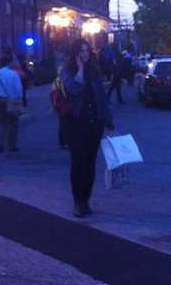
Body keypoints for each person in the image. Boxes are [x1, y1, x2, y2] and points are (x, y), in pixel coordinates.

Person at [61, 39, 114, 218]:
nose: (84, 54)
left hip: (94, 123)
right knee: (78, 162)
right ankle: (77, 201)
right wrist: (80, 69)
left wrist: (108, 119)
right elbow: (74, 89)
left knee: (90, 163)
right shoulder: (67, 71)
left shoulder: (95, 71)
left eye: (86, 51)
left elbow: (101, 97)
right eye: (80, 51)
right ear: (74, 54)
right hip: (75, 123)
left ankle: (86, 200)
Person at [0, 54, 23, 154]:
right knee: (13, 123)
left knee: (2, 123)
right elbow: (18, 90)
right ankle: (12, 145)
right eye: (14, 60)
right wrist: (19, 100)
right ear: (10, 62)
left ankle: (0, 145)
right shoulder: (13, 74)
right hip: (11, 100)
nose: (16, 62)